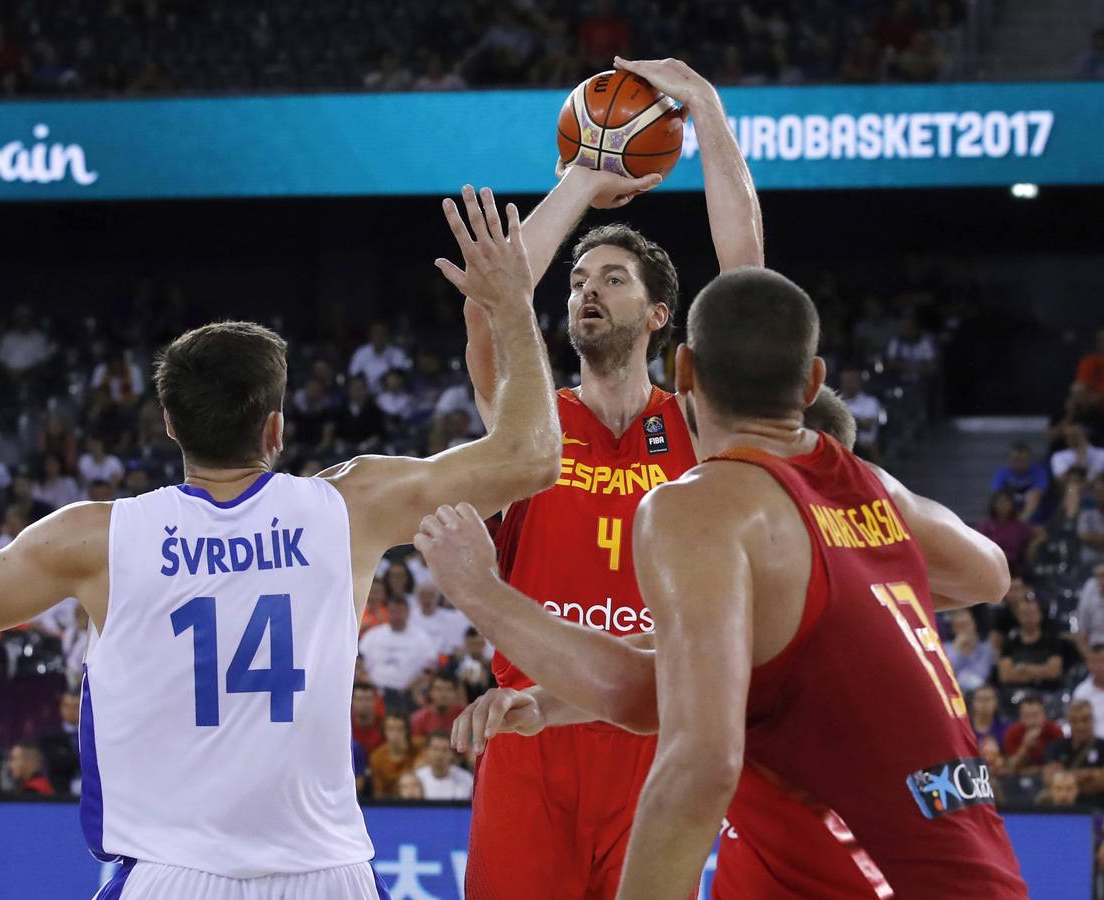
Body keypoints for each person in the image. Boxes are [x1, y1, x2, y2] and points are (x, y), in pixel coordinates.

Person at [0, 185, 563, 898]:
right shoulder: (350, 508)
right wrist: (509, 305)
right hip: (328, 875)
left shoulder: (94, 538)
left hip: (175, 875)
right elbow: (534, 457)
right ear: (276, 428)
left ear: (168, 424)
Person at [419, 268, 1027, 897]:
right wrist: (546, 704)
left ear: (683, 373)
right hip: (977, 866)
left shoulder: (705, 502)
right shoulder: (872, 491)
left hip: (866, 876)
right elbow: (991, 574)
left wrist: (480, 590)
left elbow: (688, 750)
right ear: (813, 380)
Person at [456, 54, 774, 900]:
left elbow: (748, 284)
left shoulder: (697, 422)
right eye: (579, 281)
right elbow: (493, 304)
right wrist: (585, 175)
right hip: (531, 734)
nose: (586, 291)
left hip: (655, 728)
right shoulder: (530, 419)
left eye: (613, 279)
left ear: (661, 315)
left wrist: (705, 110)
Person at [357, 594, 439, 710]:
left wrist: (412, 687)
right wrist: (366, 680)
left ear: (408, 612)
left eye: (400, 611)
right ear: (387, 612)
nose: (396, 615)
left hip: (407, 694)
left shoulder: (422, 638)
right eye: (393, 611)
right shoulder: (372, 635)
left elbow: (430, 669)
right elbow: (358, 663)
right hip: (374, 693)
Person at [1042, 700, 1104, 804]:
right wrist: (1089, 775)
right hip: (1062, 810)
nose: (1080, 726)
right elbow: (1049, 779)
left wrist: (1065, 778)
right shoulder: (1056, 747)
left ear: (1093, 720)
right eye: (1075, 721)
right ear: (1069, 722)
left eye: (1085, 720)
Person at [1003, 695, 1064, 776]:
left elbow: (1061, 766)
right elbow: (1010, 767)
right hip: (1019, 778)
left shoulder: (1055, 731)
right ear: (1020, 717)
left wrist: (1037, 770)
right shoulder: (1012, 732)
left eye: (1035, 715)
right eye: (1026, 716)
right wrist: (1025, 747)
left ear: (1044, 715)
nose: (1031, 721)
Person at [989, 442, 1049, 523]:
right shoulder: (1002, 473)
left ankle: (1018, 525)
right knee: (1001, 498)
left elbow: (1039, 492)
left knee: (1033, 495)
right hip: (1009, 511)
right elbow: (996, 494)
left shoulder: (1039, 471)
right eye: (1016, 459)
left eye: (1023, 460)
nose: (1019, 463)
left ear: (1029, 459)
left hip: (1033, 513)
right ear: (1009, 459)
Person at [369, 713, 424, 798]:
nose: (395, 733)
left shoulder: (420, 746)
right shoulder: (377, 757)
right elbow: (379, 793)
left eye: (399, 729)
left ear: (407, 731)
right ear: (384, 731)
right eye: (390, 729)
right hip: (392, 803)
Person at [40, 689, 82, 795]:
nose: (71, 710)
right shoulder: (50, 737)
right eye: (67, 706)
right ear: (61, 708)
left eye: (76, 706)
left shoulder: (93, 735)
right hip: (61, 796)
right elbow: (57, 763)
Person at [944, 607, 994, 691]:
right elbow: (946, 673)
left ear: (975, 624)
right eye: (959, 627)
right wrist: (957, 647)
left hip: (976, 694)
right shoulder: (945, 647)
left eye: (966, 626)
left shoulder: (985, 649)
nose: (964, 632)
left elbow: (981, 675)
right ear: (953, 628)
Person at [413, 732, 474, 800]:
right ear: (427, 752)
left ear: (452, 754)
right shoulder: (416, 778)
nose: (439, 755)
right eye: (435, 749)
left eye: (444, 750)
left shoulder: (466, 779)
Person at [837, 369, 882, 460]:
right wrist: (857, 420)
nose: (849, 384)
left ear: (859, 382)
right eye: (846, 381)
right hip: (842, 444)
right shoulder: (836, 401)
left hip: (865, 446)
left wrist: (842, 419)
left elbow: (867, 424)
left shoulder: (870, 401)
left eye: (852, 381)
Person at [410, 673, 465, 738]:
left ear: (455, 693)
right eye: (438, 689)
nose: (443, 695)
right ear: (430, 692)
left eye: (448, 689)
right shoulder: (419, 719)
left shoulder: (464, 715)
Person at [1072, 644, 1104, 738]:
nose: (1099, 667)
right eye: (1095, 662)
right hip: (1093, 745)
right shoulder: (1081, 692)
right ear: (1088, 665)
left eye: (1102, 661)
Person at [969, 685, 1008, 751]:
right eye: (980, 700)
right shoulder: (964, 727)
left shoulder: (1006, 728)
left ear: (996, 703)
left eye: (988, 699)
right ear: (972, 703)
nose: (984, 704)